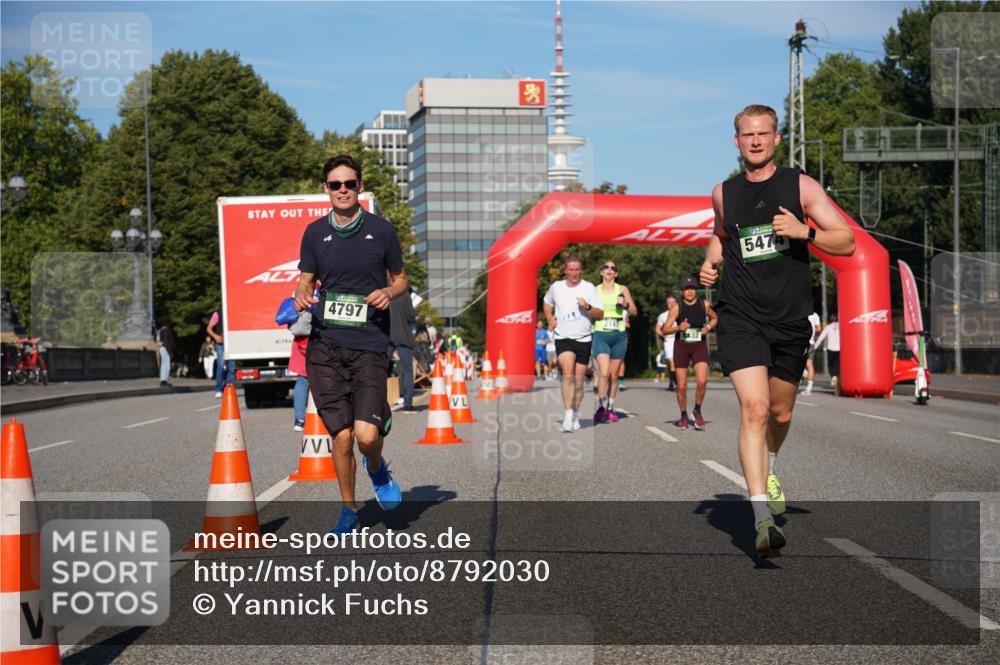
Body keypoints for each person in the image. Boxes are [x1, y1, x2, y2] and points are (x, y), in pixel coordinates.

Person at [700, 104, 855, 557]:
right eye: (747, 135)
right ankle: (761, 519)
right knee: (755, 408)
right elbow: (721, 236)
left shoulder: (800, 186)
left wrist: (805, 232)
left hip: (789, 318)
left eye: (763, 134)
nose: (755, 142)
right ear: (736, 141)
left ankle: (770, 464)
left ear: (776, 138)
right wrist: (709, 262)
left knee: (780, 414)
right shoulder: (723, 193)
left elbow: (846, 241)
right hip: (740, 315)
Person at [293, 154, 408, 536]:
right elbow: (306, 281)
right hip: (326, 345)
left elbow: (401, 279)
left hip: (369, 343)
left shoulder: (382, 230)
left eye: (349, 183)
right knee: (341, 437)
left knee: (367, 437)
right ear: (325, 189)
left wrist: (388, 292)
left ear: (360, 186)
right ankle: (348, 509)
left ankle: (376, 467)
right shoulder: (314, 233)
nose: (342, 190)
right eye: (335, 184)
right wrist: (301, 293)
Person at [543, 255, 604, 432]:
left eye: (577, 269)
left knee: (579, 383)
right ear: (565, 270)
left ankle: (575, 412)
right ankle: (568, 414)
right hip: (563, 337)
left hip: (584, 338)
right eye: (571, 270)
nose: (574, 273)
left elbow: (600, 315)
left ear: (581, 270)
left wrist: (587, 307)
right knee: (568, 373)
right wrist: (549, 317)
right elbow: (547, 303)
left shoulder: (589, 288)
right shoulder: (556, 287)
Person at [661, 276, 717, 430]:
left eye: (692, 288)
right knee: (682, 386)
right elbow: (665, 329)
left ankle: (697, 410)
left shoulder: (704, 304)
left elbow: (714, 318)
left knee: (702, 381)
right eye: (686, 289)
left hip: (699, 346)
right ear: (682, 292)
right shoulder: (677, 308)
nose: (690, 292)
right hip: (681, 347)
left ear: (696, 290)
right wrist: (678, 328)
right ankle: (683, 415)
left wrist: (708, 327)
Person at [591, 261, 637, 423]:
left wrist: (626, 304)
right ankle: (601, 406)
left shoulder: (622, 289)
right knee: (603, 373)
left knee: (614, 375)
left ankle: (610, 408)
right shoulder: (594, 290)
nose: (609, 269)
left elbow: (634, 311)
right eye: (606, 267)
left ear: (616, 274)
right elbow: (588, 311)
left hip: (619, 335)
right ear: (601, 272)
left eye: (613, 268)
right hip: (601, 334)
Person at [388, 288, 417, 413]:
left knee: (380, 369)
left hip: (386, 336)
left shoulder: (385, 293)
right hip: (403, 336)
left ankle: (377, 403)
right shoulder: (404, 296)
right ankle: (408, 404)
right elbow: (410, 316)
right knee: (407, 372)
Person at [207, 310, 235, 398]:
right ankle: (218, 389)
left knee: (231, 366)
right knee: (220, 365)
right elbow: (208, 328)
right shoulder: (217, 314)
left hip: (231, 343)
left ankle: (228, 387)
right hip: (220, 344)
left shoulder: (233, 311)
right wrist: (215, 336)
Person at [655, 296, 679, 391]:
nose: (671, 304)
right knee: (672, 363)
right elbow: (657, 329)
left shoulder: (681, 313)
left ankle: (675, 381)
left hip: (679, 340)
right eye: (669, 302)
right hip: (669, 341)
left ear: (676, 303)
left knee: (677, 363)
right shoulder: (663, 316)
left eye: (673, 302)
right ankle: (673, 382)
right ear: (667, 304)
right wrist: (662, 335)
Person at [813, 313, 841, 395]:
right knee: (838, 364)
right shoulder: (841, 326)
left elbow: (821, 337)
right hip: (840, 348)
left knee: (831, 365)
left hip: (830, 348)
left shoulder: (828, 327)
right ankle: (837, 378)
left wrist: (815, 346)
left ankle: (833, 376)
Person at [803, 311, 822, 395]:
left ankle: (804, 375)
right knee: (810, 365)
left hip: (802, 342)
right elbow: (819, 328)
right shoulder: (815, 315)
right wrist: (813, 330)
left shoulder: (801, 312)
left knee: (797, 362)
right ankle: (809, 388)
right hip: (811, 343)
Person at [155, 318, 175, 388]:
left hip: (162, 348)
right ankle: (164, 381)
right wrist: (170, 351)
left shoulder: (161, 329)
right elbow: (166, 341)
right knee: (167, 365)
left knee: (164, 364)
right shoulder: (166, 330)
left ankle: (163, 380)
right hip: (165, 348)